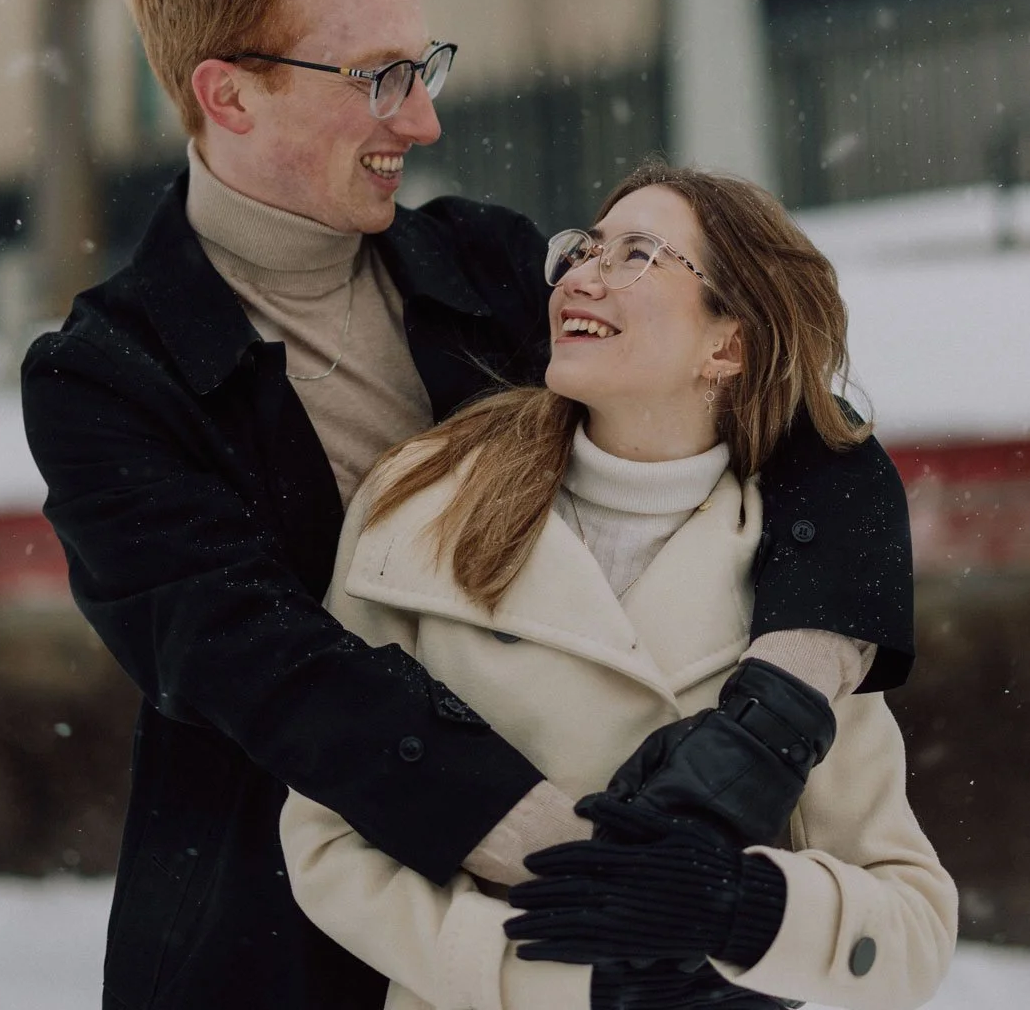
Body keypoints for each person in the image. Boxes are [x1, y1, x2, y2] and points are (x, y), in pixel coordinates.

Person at [21, 0, 915, 1010]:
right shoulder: (105, 383)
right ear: (230, 95)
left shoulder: (491, 271)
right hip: (272, 953)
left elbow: (806, 436)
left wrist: (772, 721)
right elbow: (269, 669)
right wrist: (601, 881)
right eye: (378, 78)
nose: (425, 117)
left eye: (422, 63)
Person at [279, 161, 956, 1010]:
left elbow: (912, 925)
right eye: (581, 249)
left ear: (727, 343)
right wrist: (563, 974)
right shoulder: (423, 502)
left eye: (637, 255)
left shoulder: (805, 588)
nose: (581, 276)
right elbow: (328, 838)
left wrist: (747, 914)